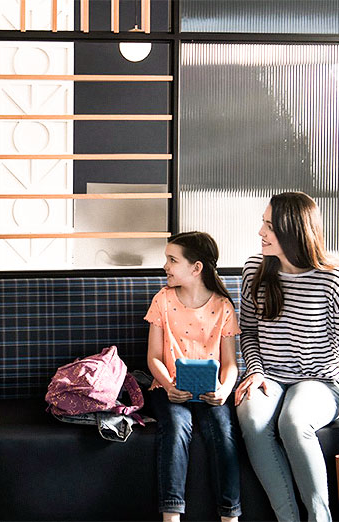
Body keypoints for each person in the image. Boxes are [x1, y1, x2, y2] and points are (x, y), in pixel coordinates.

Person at [235, 192, 339, 522]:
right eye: (262, 224)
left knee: (293, 423)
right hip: (269, 374)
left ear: (293, 229)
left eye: (269, 226)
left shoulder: (330, 279)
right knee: (251, 420)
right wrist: (254, 371)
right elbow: (248, 332)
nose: (261, 233)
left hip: (319, 380)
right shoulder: (255, 270)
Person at [145, 231, 241, 522]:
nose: (165, 266)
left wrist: (225, 389)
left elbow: (230, 363)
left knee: (223, 433)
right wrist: (169, 385)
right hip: (168, 388)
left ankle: (230, 515)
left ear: (196, 267)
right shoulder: (162, 300)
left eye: (172, 260)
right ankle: (171, 515)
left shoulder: (223, 306)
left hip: (212, 392)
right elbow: (154, 358)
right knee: (176, 427)